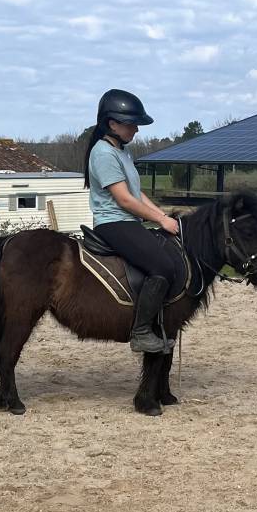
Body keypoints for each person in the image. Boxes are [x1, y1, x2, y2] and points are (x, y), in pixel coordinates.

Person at [84, 89, 180, 353]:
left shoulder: (122, 152)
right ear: (112, 123)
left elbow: (137, 194)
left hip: (128, 220)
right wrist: (160, 220)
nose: (136, 129)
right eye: (131, 123)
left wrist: (162, 215)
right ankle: (140, 332)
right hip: (113, 222)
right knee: (163, 266)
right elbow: (125, 200)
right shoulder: (103, 153)